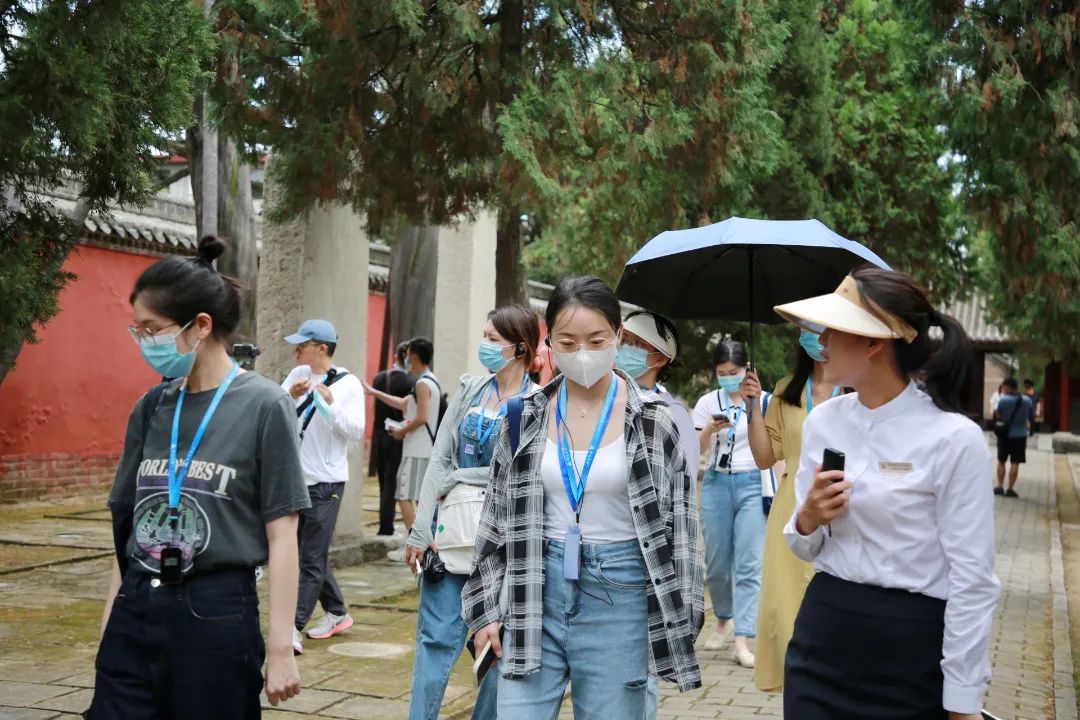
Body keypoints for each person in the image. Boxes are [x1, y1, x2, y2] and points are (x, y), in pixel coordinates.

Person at [463, 277, 705, 719]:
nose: (583, 354)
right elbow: (495, 520)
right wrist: (484, 611)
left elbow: (683, 527)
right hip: (533, 585)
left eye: (596, 340)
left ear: (617, 336)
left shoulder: (654, 422)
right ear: (548, 343)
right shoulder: (522, 418)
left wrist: (680, 616)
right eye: (567, 342)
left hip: (621, 594)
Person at [90, 236, 308, 719]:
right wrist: (111, 626)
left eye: (152, 329)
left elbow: (283, 533)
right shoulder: (152, 407)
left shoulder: (265, 405)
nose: (143, 341)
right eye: (137, 330)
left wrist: (279, 648)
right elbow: (127, 527)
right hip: (137, 605)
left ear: (201, 326)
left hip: (215, 610)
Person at [776, 267, 1001, 720]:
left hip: (910, 651)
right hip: (823, 634)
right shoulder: (825, 422)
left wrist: (962, 700)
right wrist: (808, 518)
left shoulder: (954, 439)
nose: (821, 342)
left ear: (873, 343)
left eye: (834, 331)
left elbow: (973, 580)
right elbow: (804, 546)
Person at [403, 305, 542, 720]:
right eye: (484, 336)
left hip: (502, 547)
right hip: (449, 539)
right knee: (433, 643)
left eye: (493, 339)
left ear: (520, 348)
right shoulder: (469, 390)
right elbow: (439, 459)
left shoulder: (536, 405)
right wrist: (419, 529)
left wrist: (461, 477)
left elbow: (519, 474)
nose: (484, 345)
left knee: (497, 650)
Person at [742, 329, 837, 692]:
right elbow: (765, 457)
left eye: (822, 330)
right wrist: (752, 406)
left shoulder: (857, 390)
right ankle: (797, 692)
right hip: (790, 509)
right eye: (807, 330)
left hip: (840, 507)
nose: (816, 337)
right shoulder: (787, 389)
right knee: (785, 608)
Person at [281, 319, 366, 654]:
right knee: (309, 555)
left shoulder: (348, 385)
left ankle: (292, 627)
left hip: (327, 482)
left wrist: (331, 406)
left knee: (311, 558)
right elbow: (275, 412)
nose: (297, 349)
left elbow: (355, 431)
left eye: (302, 344)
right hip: (296, 479)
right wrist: (291, 395)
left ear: (321, 348)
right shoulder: (297, 374)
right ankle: (337, 611)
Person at [691, 340, 770, 669]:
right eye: (721, 373)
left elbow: (773, 448)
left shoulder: (763, 401)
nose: (727, 378)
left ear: (746, 368)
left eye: (733, 372)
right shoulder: (708, 402)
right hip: (716, 482)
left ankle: (743, 638)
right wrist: (710, 429)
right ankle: (723, 616)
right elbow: (694, 448)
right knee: (718, 564)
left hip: (753, 483)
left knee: (749, 564)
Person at [364, 337, 439, 535]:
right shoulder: (429, 381)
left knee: (404, 494)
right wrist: (374, 392)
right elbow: (403, 403)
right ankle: (424, 541)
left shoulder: (422, 384)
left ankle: (417, 541)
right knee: (417, 496)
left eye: (408, 355)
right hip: (421, 449)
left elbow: (422, 417)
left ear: (413, 357)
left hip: (417, 449)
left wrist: (401, 431)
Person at [615, 310, 699, 473]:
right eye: (623, 340)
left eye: (637, 343)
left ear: (660, 359)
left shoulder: (675, 412)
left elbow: (687, 475)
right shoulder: (605, 398)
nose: (625, 348)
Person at [371, 342, 415, 536]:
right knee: (393, 482)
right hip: (398, 436)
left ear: (396, 357)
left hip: (379, 435)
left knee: (383, 482)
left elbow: (374, 408)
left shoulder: (379, 378)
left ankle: (385, 526)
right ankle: (387, 527)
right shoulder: (410, 382)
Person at [994, 377, 1031, 498]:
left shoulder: (1004, 400)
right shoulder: (1026, 400)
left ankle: (1000, 487)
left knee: (1001, 461)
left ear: (1007, 387)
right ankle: (1010, 489)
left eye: (1004, 387)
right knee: (1015, 462)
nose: (1003, 389)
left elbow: (998, 415)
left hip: (1005, 435)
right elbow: (1028, 414)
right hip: (1020, 435)